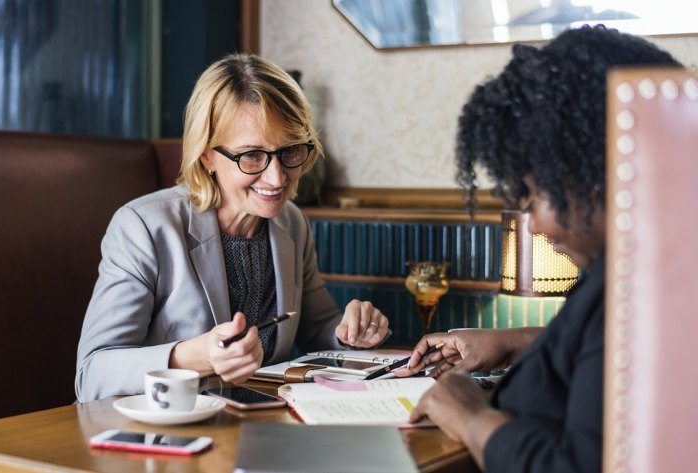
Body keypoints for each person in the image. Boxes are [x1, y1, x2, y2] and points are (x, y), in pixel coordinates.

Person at [396, 26, 681, 472]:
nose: (540, 226)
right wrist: (511, 342)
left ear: (591, 169)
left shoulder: (636, 290)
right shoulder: (649, 263)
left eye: (532, 199)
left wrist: (471, 417)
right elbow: (602, 357)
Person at [75, 53, 391, 402]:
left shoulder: (291, 223)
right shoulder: (144, 227)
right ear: (207, 155)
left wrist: (351, 331)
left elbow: (317, 327)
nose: (277, 178)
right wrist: (196, 358)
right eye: (252, 155)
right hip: (164, 437)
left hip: (262, 429)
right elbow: (92, 374)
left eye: (289, 151)